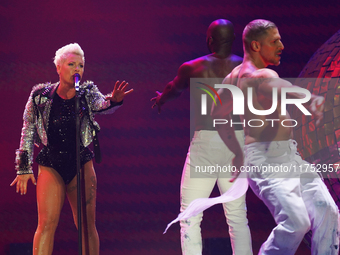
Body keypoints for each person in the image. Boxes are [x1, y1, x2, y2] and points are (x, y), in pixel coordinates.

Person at [212, 19, 339, 254]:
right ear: (256, 46)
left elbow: (216, 113)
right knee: (296, 223)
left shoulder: (233, 78)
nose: (281, 45)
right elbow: (276, 85)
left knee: (327, 211)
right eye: (274, 41)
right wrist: (308, 97)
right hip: (266, 161)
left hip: (288, 157)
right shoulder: (260, 75)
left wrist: (237, 152)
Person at [11, 43, 133, 255]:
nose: (77, 69)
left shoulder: (86, 93)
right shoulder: (39, 96)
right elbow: (28, 129)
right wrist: (24, 168)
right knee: (47, 224)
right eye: (72, 64)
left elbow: (101, 104)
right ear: (58, 67)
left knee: (86, 226)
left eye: (81, 65)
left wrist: (114, 100)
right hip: (51, 163)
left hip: (80, 162)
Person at [151, 19, 253, 255]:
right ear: (233, 39)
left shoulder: (193, 67)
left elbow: (172, 89)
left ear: (210, 41)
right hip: (236, 142)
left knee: (190, 215)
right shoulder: (247, 69)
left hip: (206, 143)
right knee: (238, 216)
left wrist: (160, 100)